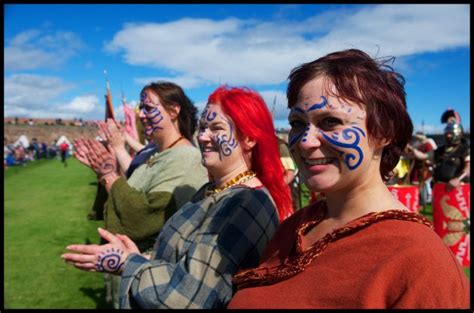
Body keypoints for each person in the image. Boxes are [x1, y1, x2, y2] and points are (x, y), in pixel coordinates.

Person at [228, 49, 469, 309]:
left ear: (384, 132)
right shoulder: (294, 227)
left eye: (330, 121)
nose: (306, 142)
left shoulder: (421, 262)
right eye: (298, 123)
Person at [62, 85, 293, 309]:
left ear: (249, 138)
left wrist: (128, 263)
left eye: (216, 128)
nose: (203, 137)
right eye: (202, 127)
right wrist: (137, 257)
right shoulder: (212, 189)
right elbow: (183, 257)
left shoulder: (246, 204)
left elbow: (189, 296)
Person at [72, 81, 209, 308]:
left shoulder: (187, 159)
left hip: (151, 275)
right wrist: (106, 164)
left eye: (148, 108)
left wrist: (108, 174)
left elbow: (144, 216)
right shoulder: (154, 151)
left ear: (174, 111)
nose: (141, 115)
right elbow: (135, 186)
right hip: (129, 267)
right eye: (141, 109)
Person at [410, 117, 469, 192]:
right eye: (447, 133)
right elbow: (422, 156)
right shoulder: (441, 150)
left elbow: (468, 167)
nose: (448, 136)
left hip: (458, 190)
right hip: (440, 188)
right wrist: (411, 149)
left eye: (450, 133)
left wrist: (458, 178)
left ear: (457, 134)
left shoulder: (464, 148)